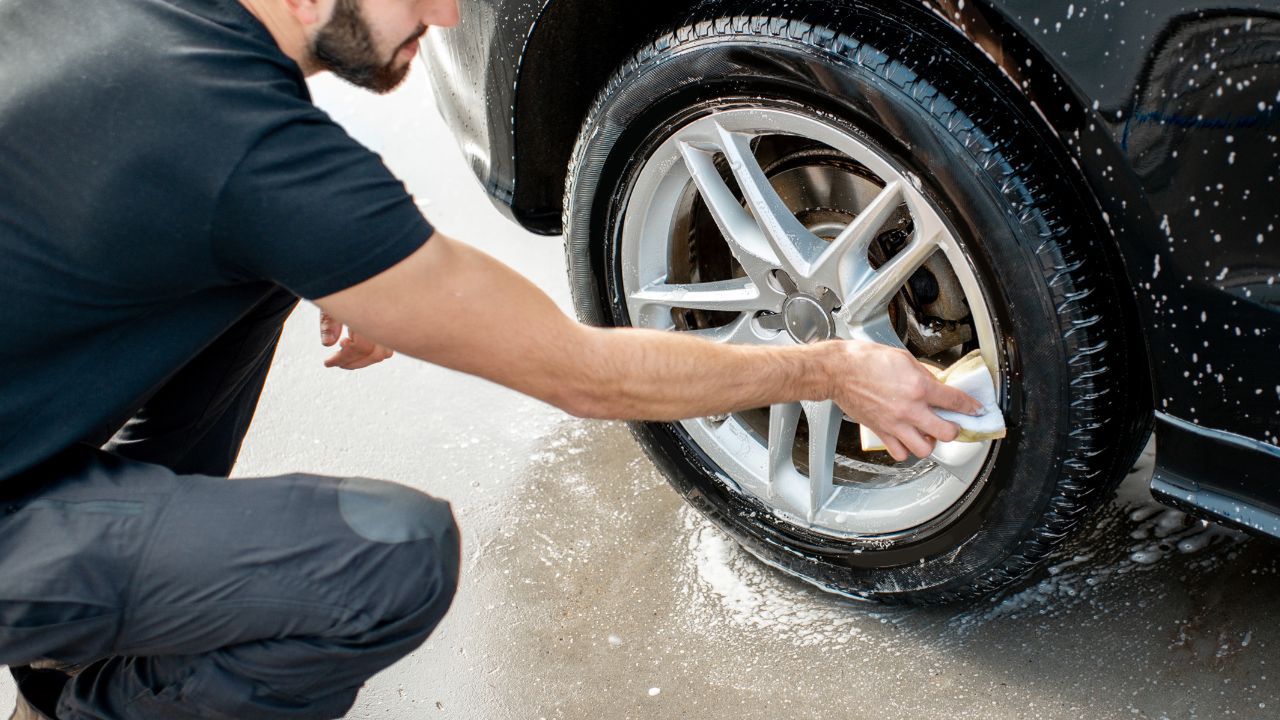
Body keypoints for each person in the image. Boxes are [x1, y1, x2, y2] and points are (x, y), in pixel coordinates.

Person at [0, 0, 982, 717]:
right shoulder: (249, 158)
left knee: (249, 264)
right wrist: (827, 372)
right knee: (390, 559)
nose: (444, 9)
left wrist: (354, 262)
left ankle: (60, 656)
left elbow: (232, 177)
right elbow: (580, 373)